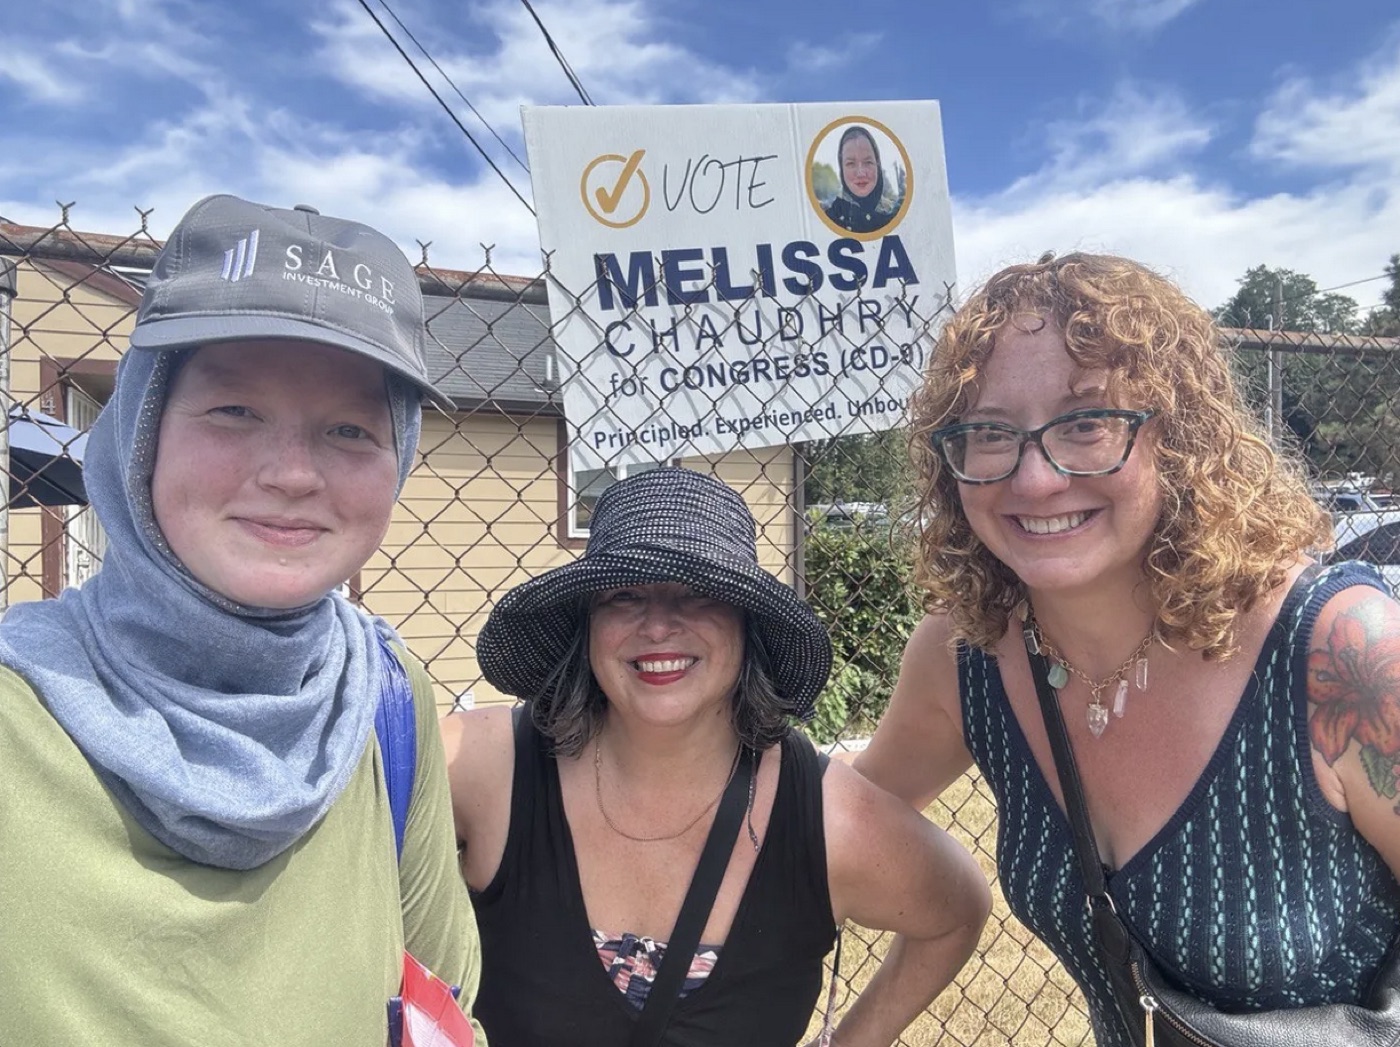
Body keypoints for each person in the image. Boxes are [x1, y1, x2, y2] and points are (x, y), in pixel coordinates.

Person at [854, 251, 1400, 1047]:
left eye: (1086, 422)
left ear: (1177, 438)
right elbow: (839, 815)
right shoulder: (963, 657)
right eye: (990, 432)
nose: (1035, 478)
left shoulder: (1340, 650)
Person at [0, 195, 484, 1046]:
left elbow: (444, 1009)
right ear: (142, 429)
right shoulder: (17, 710)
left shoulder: (386, 701)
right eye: (234, 411)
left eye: (349, 428)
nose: (293, 472)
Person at [443, 466, 989, 1046]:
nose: (658, 625)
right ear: (587, 621)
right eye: (625, 595)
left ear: (746, 623)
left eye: (698, 594)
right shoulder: (482, 771)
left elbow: (956, 912)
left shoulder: (827, 819)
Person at [822, 125, 898, 235]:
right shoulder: (827, 221)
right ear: (841, 168)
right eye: (851, 164)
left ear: (877, 165)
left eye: (868, 162)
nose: (861, 173)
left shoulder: (897, 215)